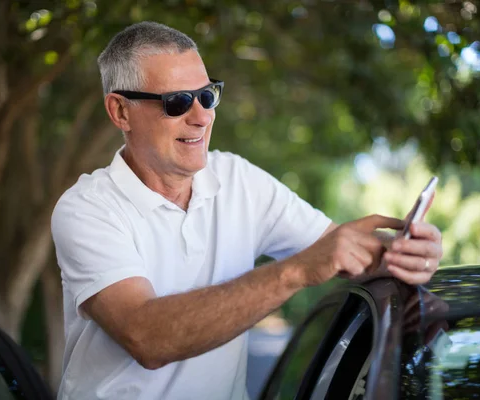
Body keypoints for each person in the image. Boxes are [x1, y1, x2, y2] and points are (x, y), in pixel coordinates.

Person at [51, 21, 443, 400]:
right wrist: (297, 270)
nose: (202, 116)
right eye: (177, 102)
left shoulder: (238, 179)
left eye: (207, 95)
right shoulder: (86, 209)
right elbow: (147, 337)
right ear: (120, 112)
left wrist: (407, 254)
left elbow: (343, 252)